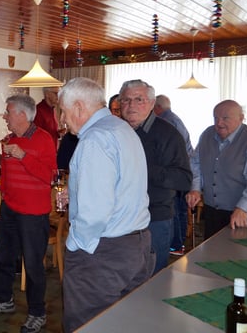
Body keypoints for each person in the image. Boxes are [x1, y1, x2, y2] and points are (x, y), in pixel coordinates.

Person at [56, 77, 154, 333]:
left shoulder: (95, 139)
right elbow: (121, 188)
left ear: (79, 107)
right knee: (124, 324)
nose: (62, 120)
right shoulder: (122, 129)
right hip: (137, 244)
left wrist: (76, 244)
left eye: (63, 112)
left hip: (104, 253)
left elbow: (94, 214)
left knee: (87, 325)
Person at [0, 94, 56, 333]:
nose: (5, 116)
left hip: (33, 214)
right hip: (10, 210)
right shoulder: (9, 139)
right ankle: (3, 300)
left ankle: (37, 313)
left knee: (32, 265)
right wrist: (5, 195)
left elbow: (50, 176)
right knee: (2, 258)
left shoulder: (44, 139)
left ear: (22, 114)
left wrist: (24, 156)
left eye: (8, 112)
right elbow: (6, 174)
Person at [119, 79, 192, 274]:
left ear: (152, 104)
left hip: (154, 219)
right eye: (126, 100)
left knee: (153, 278)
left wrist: (143, 168)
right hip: (120, 217)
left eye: (139, 99)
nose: (131, 105)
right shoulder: (116, 131)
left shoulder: (168, 134)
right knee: (125, 276)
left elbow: (184, 179)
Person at [186, 100, 247, 240]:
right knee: (211, 250)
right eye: (216, 118)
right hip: (212, 211)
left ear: (241, 118)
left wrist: (243, 208)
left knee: (239, 252)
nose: (219, 123)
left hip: (245, 213)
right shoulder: (207, 134)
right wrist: (195, 188)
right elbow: (196, 164)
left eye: (225, 118)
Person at [154, 94, 194, 256]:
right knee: (180, 210)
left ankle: (176, 244)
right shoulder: (174, 118)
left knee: (175, 209)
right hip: (183, 169)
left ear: (156, 107)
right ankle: (179, 243)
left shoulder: (165, 122)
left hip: (174, 172)